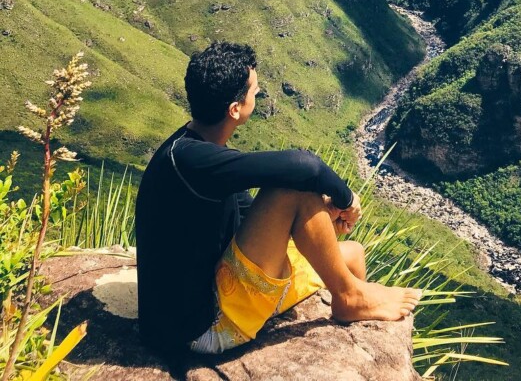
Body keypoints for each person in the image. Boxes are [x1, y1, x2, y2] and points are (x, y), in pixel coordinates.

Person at [135, 40, 421, 358]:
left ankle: (353, 305)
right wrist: (346, 199)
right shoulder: (192, 161)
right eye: (254, 91)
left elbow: (247, 215)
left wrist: (319, 218)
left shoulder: (193, 150)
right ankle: (349, 297)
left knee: (351, 253)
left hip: (213, 284)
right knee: (290, 189)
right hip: (199, 328)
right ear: (235, 109)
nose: (258, 95)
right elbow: (304, 166)